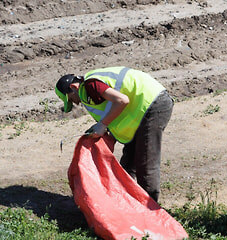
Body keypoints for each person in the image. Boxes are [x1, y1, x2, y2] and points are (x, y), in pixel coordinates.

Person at [55, 67, 173, 202]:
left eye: (71, 99)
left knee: (145, 163)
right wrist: (103, 128)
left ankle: (150, 209)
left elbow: (122, 100)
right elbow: (113, 112)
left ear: (73, 87)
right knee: (128, 163)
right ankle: (127, 202)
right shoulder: (88, 92)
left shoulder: (91, 85)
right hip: (141, 109)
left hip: (153, 104)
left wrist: (103, 124)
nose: (75, 103)